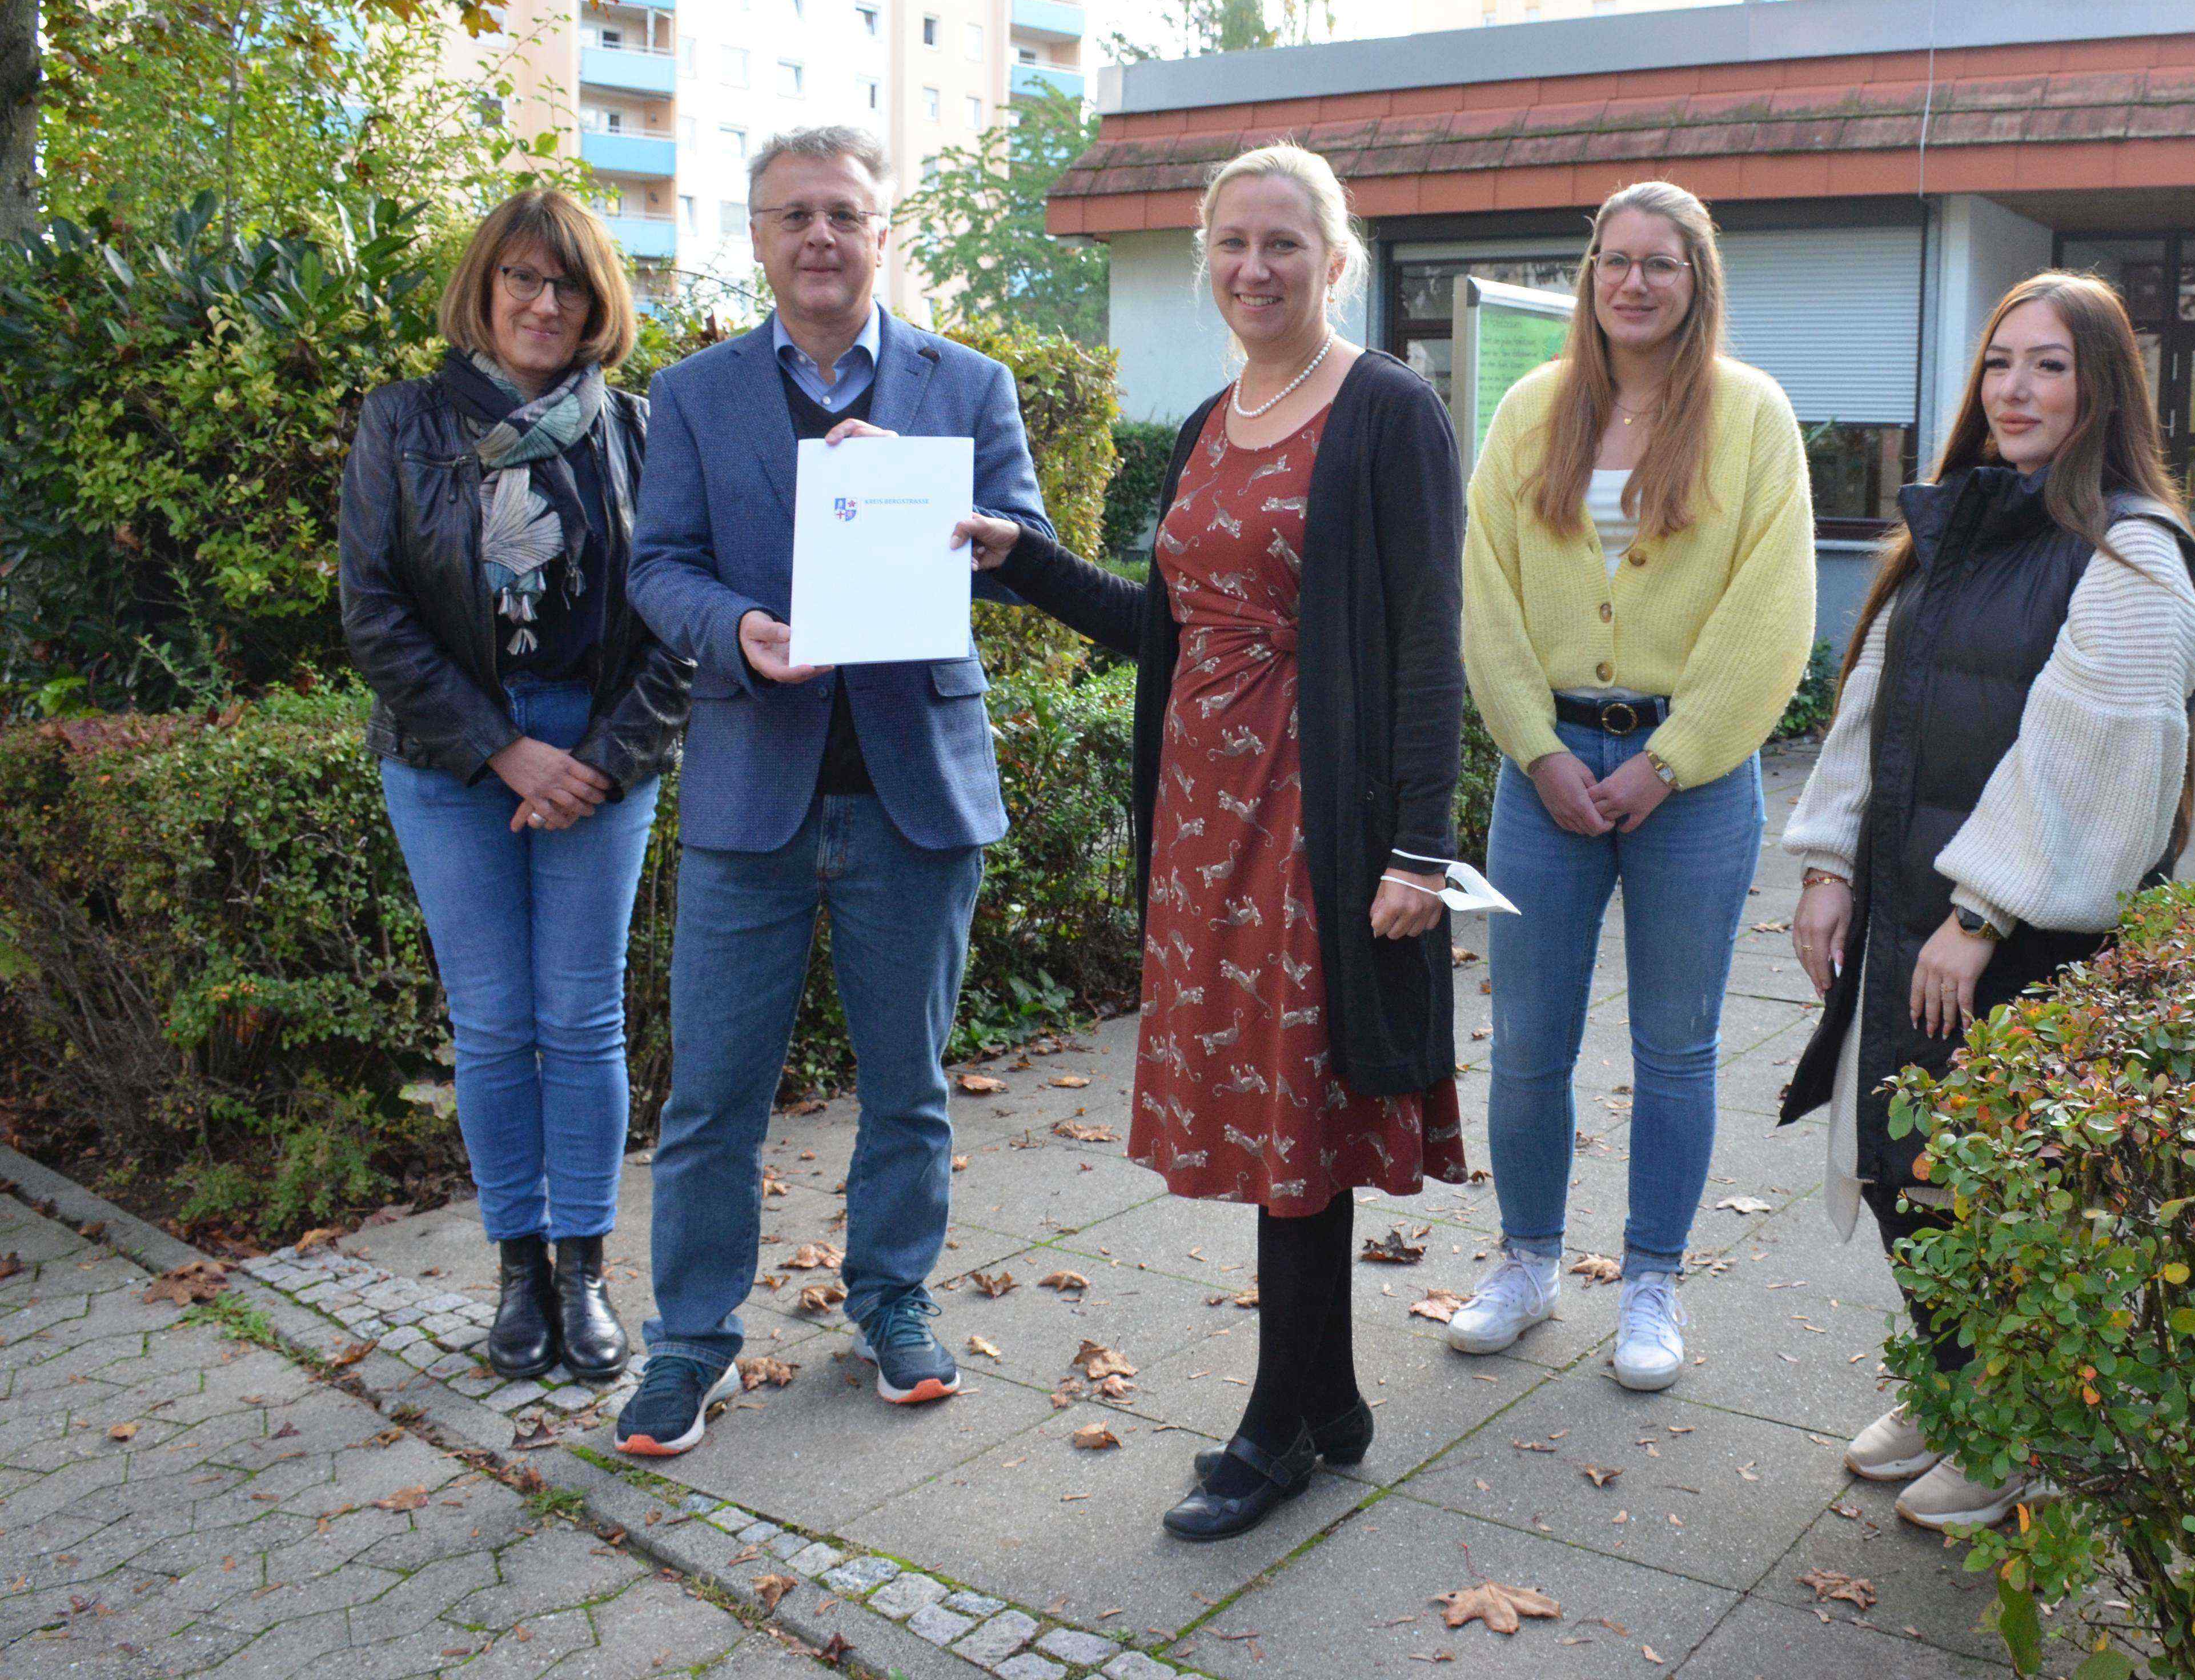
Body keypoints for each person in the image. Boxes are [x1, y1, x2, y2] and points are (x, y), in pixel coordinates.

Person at [953, 142, 1467, 1541]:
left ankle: (1276, 1425)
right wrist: (1022, 560)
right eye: (1233, 242)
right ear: (1205, 255)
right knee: (1263, 1114)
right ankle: (1335, 1396)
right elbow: (1169, 632)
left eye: (1285, 243)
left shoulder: (1387, 410)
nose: (1255, 267)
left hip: (1319, 820)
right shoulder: (1203, 421)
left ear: (1335, 258)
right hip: (1202, 828)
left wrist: (1420, 849)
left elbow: (1430, 643)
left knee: (1297, 1114)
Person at [611, 126, 1054, 1457]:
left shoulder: (965, 383)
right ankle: (689, 1342)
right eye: (793, 214)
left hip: (913, 791)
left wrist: (979, 534)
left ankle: (894, 1302)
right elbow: (658, 566)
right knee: (711, 1100)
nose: (820, 236)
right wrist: (736, 627)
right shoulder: (691, 396)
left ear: (880, 233)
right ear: (756, 237)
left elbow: (1020, 538)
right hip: (756, 787)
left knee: (908, 1084)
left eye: (844, 214)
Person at [1779, 271, 2195, 1533]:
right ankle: (1954, 1383)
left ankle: (2014, 1421)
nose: (2015, 391)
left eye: (2050, 367)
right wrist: (1828, 867)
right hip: (1913, 914)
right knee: (1902, 1165)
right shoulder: (1965, 530)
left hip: (2022, 940)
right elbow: (1874, 707)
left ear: (2102, 389)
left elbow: (2093, 760)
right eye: (1999, 363)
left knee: (1994, 1188)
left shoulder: (2131, 549)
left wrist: (1979, 917)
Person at [1452, 180, 1816, 1392]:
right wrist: (1536, 750)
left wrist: (1670, 761)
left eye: (1661, 263)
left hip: (1694, 784)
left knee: (1675, 1046)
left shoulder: (1754, 417)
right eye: (1614, 260)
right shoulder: (1530, 412)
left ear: (1695, 281)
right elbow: (1485, 597)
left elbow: (1774, 615)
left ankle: (1651, 1280)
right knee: (1527, 1044)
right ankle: (1527, 1263)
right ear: (1589, 273)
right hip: (1542, 770)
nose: (1634, 283)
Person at [338, 188, 692, 1385]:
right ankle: (517, 1276)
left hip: (601, 754)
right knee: (491, 1023)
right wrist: (503, 749)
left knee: (581, 1018)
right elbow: (373, 613)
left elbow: (679, 618)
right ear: (483, 292)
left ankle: (586, 1272)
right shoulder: (402, 423)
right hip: (448, 761)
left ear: (599, 303)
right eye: (523, 281)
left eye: (570, 284)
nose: (546, 304)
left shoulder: (639, 432)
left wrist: (594, 757)